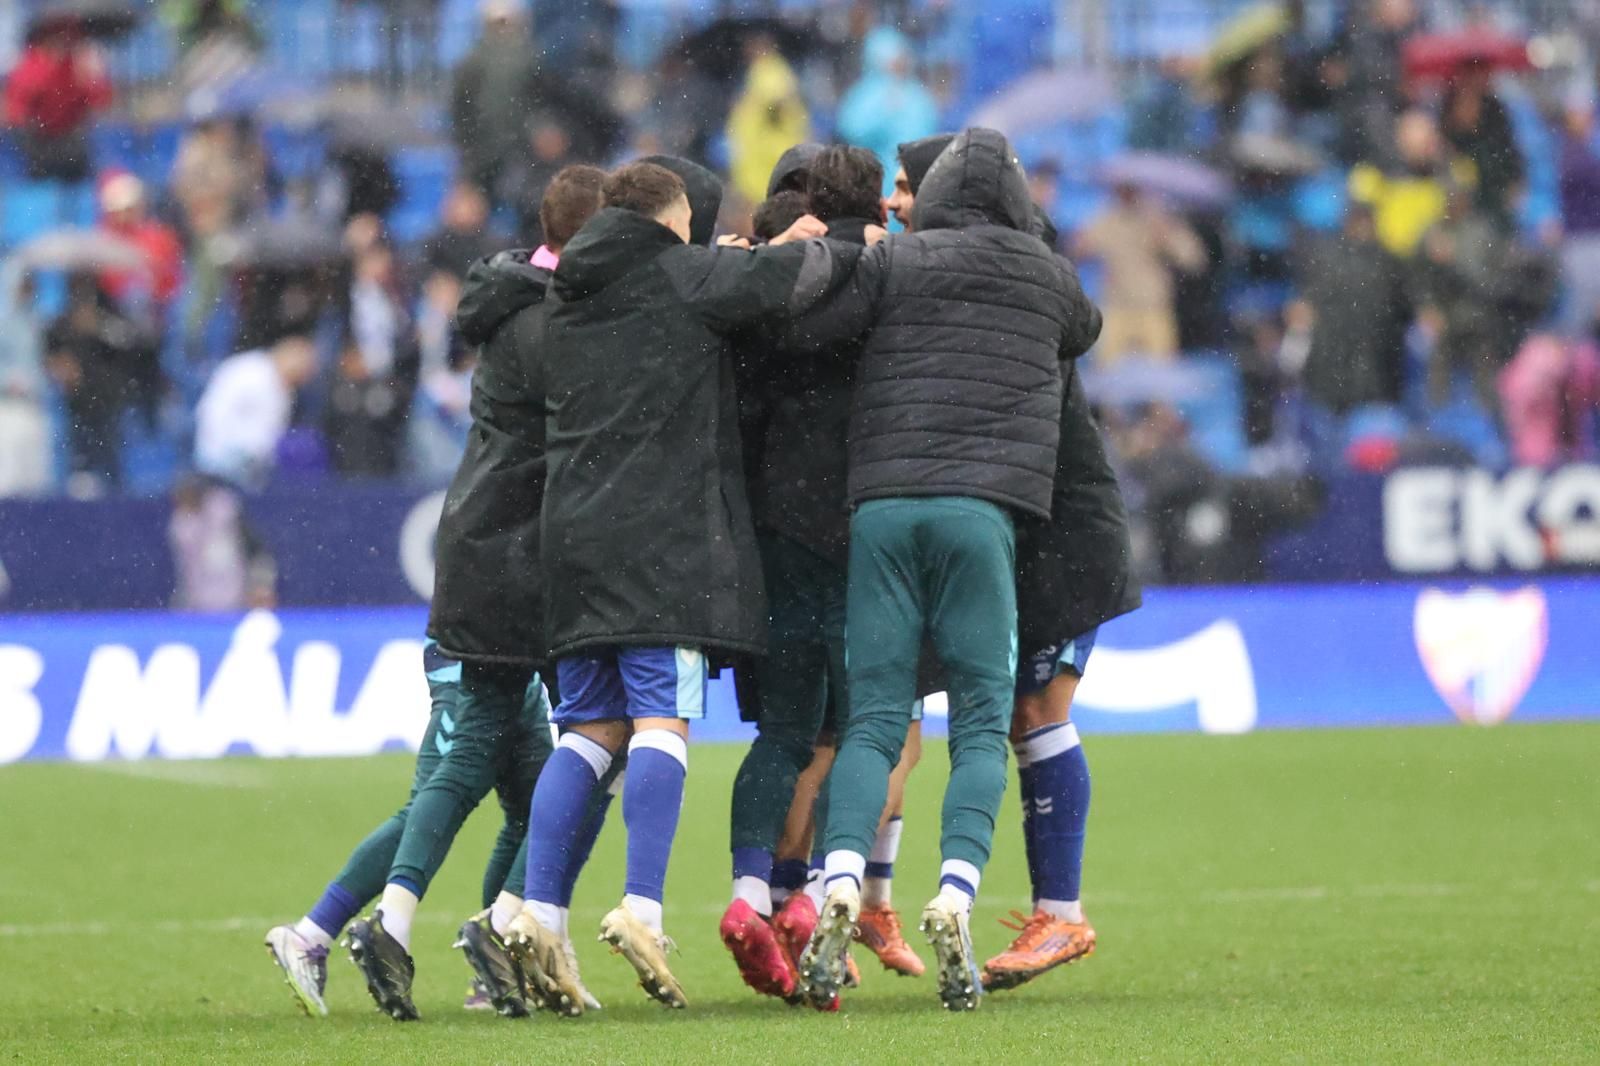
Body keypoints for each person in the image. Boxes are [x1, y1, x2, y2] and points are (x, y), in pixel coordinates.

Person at [506, 159, 852, 1015]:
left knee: (588, 729)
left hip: (572, 533)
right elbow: (786, 277)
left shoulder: (568, 290)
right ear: (674, 217)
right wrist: (822, 240)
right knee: (663, 721)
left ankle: (537, 912)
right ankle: (642, 907)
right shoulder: (685, 272)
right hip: (658, 540)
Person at [785, 128, 1100, 1012]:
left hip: (882, 508)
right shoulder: (1046, 275)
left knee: (875, 719)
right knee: (979, 723)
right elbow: (1085, 327)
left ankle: (841, 877)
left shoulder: (898, 263)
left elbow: (825, 315)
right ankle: (955, 892)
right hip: (980, 514)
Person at [332, 166, 611, 1023]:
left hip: (492, 544)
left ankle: (487, 943)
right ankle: (421, 924)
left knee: (526, 776)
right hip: (511, 558)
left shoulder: (510, 300)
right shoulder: (555, 319)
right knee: (504, 759)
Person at [721, 146, 915, 1003]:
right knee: (865, 730)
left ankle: (754, 892)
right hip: (861, 518)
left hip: (769, 528)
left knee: (785, 734)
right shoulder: (886, 273)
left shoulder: (759, 280)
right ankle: (822, 894)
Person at [263, 643, 549, 1019]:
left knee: (536, 816)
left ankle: (495, 962)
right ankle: (309, 935)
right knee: (432, 808)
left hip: (519, 665)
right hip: (473, 665)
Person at [1074, 182, 1205, 363]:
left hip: (1153, 306)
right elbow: (1078, 250)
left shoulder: (1159, 220)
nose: (1127, 193)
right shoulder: (1107, 221)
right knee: (1105, 370)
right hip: (1117, 305)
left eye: (1132, 188)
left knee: (1160, 373)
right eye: (1123, 188)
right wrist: (1082, 246)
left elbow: (1194, 260)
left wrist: (1168, 236)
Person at [43, 274, 144, 493]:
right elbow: (49, 356)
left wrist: (98, 327)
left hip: (108, 403)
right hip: (78, 404)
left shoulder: (109, 320)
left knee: (111, 461)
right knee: (80, 464)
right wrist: (62, 367)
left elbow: (131, 343)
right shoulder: (61, 326)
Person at [450, 0, 548, 201]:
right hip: (518, 150)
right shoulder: (531, 57)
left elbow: (459, 109)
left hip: (485, 152)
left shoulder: (472, 59)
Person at [194, 333, 317, 489]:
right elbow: (213, 412)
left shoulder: (284, 388)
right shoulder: (249, 371)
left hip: (254, 468)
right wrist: (231, 452)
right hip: (221, 463)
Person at [836, 27, 940, 197]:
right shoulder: (865, 94)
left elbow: (929, 132)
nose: (898, 63)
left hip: (917, 182)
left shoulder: (917, 94)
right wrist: (883, 114)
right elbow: (851, 132)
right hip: (878, 182)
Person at [2, 23, 111, 181]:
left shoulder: (76, 66)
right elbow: (17, 111)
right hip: (37, 140)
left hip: (70, 139)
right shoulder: (30, 64)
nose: (62, 44)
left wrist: (94, 77)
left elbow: (100, 101)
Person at [726, 38, 812, 206]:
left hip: (769, 160)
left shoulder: (770, 70)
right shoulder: (758, 73)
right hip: (761, 161)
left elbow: (777, 97)